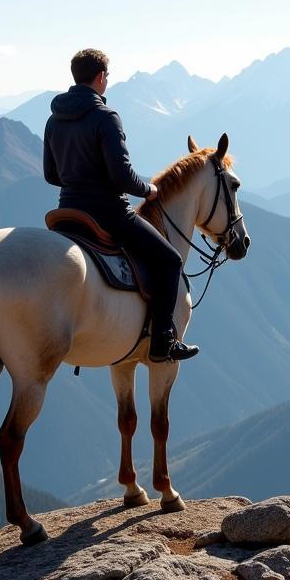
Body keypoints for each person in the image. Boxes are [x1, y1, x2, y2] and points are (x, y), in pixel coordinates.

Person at [43, 48, 200, 363]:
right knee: (170, 261)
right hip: (108, 213)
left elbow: (51, 175)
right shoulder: (106, 117)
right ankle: (162, 343)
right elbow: (122, 176)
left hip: (67, 213)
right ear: (101, 77)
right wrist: (149, 190)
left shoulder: (54, 119)